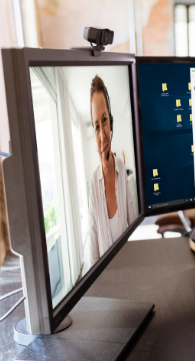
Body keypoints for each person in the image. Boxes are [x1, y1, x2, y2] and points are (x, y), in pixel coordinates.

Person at [85, 75, 137, 267]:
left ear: (111, 122)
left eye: (104, 121)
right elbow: (93, 256)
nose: (102, 136)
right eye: (96, 125)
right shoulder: (93, 184)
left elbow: (133, 227)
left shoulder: (122, 169)